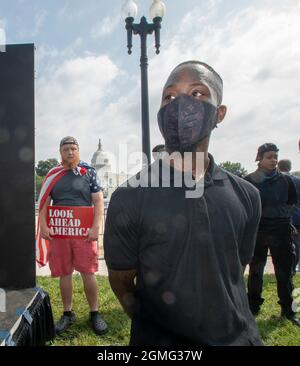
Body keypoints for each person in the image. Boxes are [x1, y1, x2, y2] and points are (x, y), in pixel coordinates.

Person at [104, 61, 263, 346]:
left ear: (219, 114)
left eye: (198, 93)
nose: (180, 105)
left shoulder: (247, 195)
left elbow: (236, 267)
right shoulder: (129, 197)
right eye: (170, 97)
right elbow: (122, 282)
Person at [38, 136, 108, 336]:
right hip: (60, 233)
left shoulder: (89, 172)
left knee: (88, 272)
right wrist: (43, 225)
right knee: (64, 273)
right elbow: (44, 202)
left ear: (79, 150)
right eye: (66, 149)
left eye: (74, 148)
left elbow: (99, 201)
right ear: (60, 152)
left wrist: (95, 227)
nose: (70, 152)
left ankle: (94, 313)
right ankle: (67, 313)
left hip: (83, 233)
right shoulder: (53, 174)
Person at [245, 144, 299, 326]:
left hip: (282, 231)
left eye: (276, 156)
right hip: (258, 231)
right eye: (269, 156)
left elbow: (291, 201)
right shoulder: (248, 180)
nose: (274, 160)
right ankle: (252, 307)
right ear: (259, 158)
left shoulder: (286, 181)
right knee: (255, 272)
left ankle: (288, 310)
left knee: (285, 273)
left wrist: (280, 216)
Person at [278, 159, 300, 272]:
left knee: (280, 246)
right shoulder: (298, 180)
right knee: (296, 245)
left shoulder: (276, 180)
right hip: (297, 217)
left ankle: (284, 268)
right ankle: (292, 268)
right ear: (290, 167)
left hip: (279, 218)